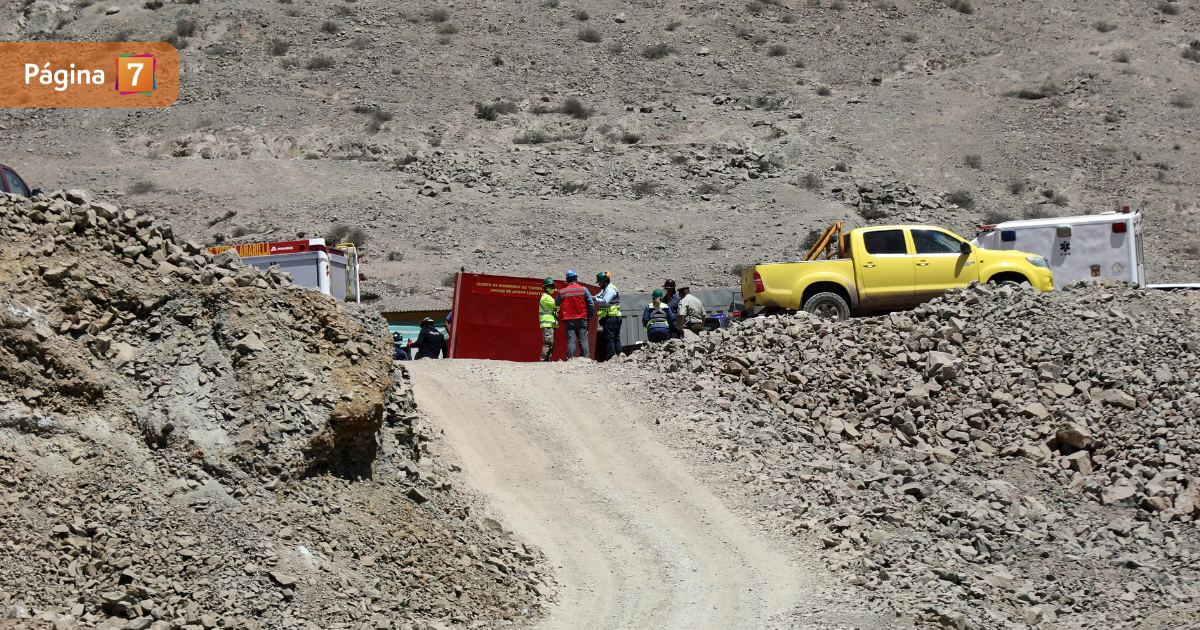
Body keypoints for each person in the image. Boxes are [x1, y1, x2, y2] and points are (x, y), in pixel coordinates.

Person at [555, 270, 594, 359]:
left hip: (568, 319)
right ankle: (585, 359)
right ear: (576, 278)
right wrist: (590, 315)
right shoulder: (583, 289)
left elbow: (556, 303)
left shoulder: (562, 292)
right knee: (583, 340)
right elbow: (590, 303)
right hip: (582, 317)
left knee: (571, 341)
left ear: (567, 280)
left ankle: (570, 360)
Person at [593, 271, 622, 362]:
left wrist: (595, 299)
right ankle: (619, 356)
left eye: (600, 283)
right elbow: (597, 296)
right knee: (616, 338)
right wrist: (592, 297)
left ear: (604, 282)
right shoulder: (605, 290)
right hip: (612, 317)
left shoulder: (610, 290)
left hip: (611, 317)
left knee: (610, 338)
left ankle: (610, 358)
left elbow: (605, 301)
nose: (599, 285)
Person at [538, 277, 558, 362]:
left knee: (551, 343)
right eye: (551, 286)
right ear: (546, 287)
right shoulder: (546, 297)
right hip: (547, 325)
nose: (553, 288)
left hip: (550, 324)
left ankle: (547, 361)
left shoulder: (547, 297)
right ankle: (543, 361)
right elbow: (557, 304)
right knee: (548, 343)